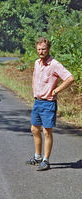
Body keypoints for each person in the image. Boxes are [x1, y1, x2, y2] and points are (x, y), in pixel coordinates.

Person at [26, 37, 74, 171]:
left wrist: (57, 90)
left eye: (43, 49)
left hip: (48, 103)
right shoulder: (37, 63)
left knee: (47, 131)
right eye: (39, 49)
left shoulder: (54, 64)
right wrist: (34, 91)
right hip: (37, 102)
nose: (41, 52)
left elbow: (70, 78)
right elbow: (34, 77)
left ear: (48, 49)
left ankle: (46, 160)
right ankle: (37, 157)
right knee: (34, 129)